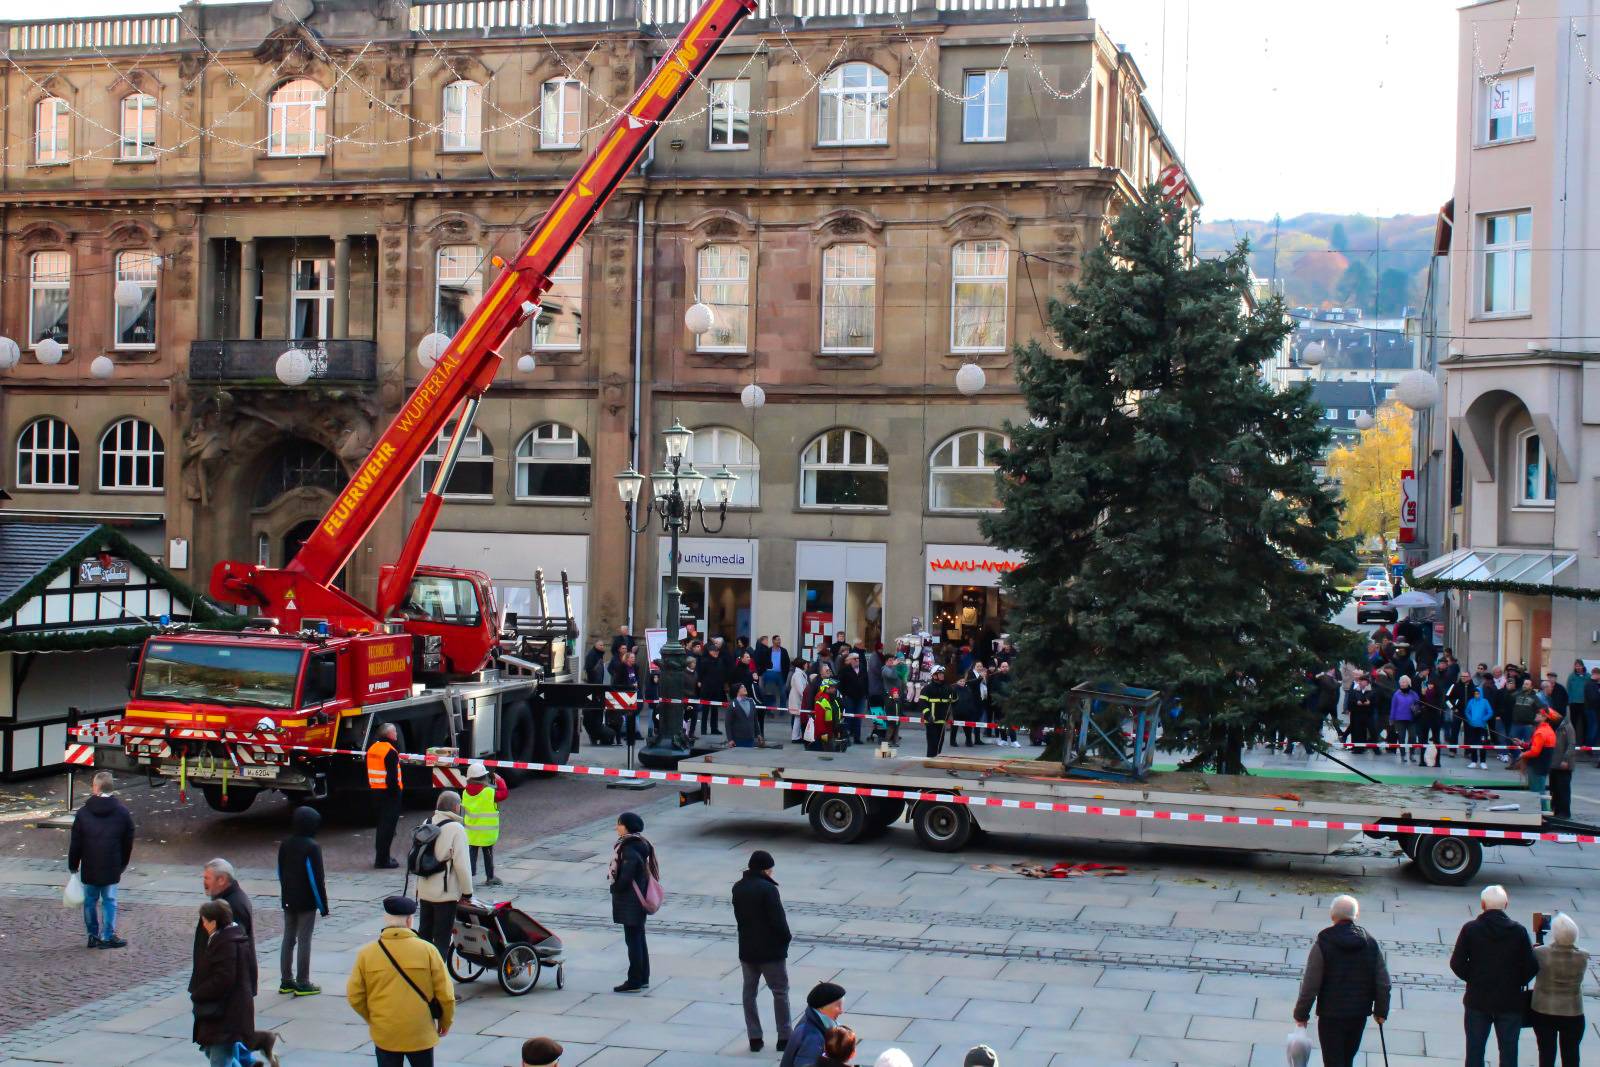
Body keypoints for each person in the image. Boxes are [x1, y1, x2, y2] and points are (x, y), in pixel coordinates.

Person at [347, 895, 456, 1067]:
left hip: (385, 1032)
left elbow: (355, 996)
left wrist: (375, 1018)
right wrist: (445, 1021)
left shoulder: (367, 954)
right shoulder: (428, 950)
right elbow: (446, 995)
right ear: (409, 921)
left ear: (385, 919)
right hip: (420, 1031)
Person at [1292, 894, 1390, 1067]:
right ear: (1356, 915)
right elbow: (1383, 983)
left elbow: (1310, 985)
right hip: (1358, 1014)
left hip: (1331, 1016)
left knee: (1333, 1062)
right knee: (1347, 1059)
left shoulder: (1323, 943)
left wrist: (1301, 1015)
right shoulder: (1370, 943)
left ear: (1332, 915)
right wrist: (1381, 1011)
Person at [1451, 884, 1538, 1067]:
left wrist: (1474, 977)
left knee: (1475, 1050)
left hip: (1478, 999)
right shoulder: (1518, 931)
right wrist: (1516, 981)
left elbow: (1457, 963)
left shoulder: (1471, 929)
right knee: (1509, 1051)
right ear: (1506, 904)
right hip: (1509, 1001)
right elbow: (1532, 966)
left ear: (1483, 904)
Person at [733, 849, 792, 1053]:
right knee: (780, 992)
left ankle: (755, 1037)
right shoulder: (768, 890)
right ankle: (784, 1037)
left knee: (749, 993)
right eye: (770, 870)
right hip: (770, 951)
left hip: (747, 949)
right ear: (765, 870)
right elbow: (778, 921)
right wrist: (786, 939)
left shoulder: (738, 887)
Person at [67, 770, 133, 950]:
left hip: (90, 865)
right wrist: (123, 863)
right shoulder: (122, 813)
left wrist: (73, 864)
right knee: (109, 900)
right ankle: (107, 935)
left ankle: (92, 935)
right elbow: (128, 841)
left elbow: (76, 842)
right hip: (111, 864)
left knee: (90, 900)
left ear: (95, 788)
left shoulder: (83, 813)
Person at [191, 899, 257, 1067]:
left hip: (225, 1013)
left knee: (219, 1059)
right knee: (212, 1051)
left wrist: (199, 993)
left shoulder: (225, 943)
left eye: (205, 921)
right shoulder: (230, 937)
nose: (203, 925)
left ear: (213, 922)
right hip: (229, 1011)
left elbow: (223, 979)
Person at [414, 791, 473, 965]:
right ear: (456, 807)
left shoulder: (426, 822)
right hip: (444, 894)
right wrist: (467, 892)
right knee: (441, 939)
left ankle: (421, 972)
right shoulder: (456, 829)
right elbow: (462, 865)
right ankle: (438, 978)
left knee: (424, 937)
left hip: (424, 890)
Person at [276, 804, 329, 996]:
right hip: (306, 901)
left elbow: (280, 871)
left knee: (288, 938)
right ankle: (303, 981)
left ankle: (286, 980)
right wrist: (323, 905)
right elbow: (316, 879)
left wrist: (285, 893)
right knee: (304, 939)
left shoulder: (285, 843)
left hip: (288, 897)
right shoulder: (312, 846)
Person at [610, 811, 658, 992]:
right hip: (638, 898)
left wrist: (615, 888)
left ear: (627, 826)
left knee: (633, 940)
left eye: (619, 824)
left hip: (631, 900)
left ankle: (635, 980)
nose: (617, 827)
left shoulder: (629, 848)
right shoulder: (641, 843)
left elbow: (626, 876)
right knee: (639, 937)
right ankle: (643, 977)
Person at [1531, 913, 1588, 1067]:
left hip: (1544, 1009)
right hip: (1572, 1011)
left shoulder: (1540, 953)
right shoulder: (1583, 956)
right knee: (1571, 1055)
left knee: (1546, 1054)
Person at [194, 859, 257, 995]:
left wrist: (204, 990)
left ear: (221, 880)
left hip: (226, 991)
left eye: (207, 878)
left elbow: (230, 953)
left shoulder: (233, 905)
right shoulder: (226, 901)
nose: (204, 882)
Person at [462, 761, 508, 887]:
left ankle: (468, 876)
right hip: (487, 833)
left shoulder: (465, 792)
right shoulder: (489, 792)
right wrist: (499, 780)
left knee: (471, 854)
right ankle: (490, 877)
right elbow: (504, 793)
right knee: (488, 855)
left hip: (471, 832)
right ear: (484, 777)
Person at [780, 982, 844, 1067]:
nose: (841, 1011)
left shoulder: (810, 1019)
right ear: (822, 1007)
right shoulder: (814, 1038)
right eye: (838, 1006)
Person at [369, 723, 403, 869]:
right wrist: (396, 794)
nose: (396, 734)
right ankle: (383, 860)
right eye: (394, 732)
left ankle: (382, 857)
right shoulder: (390, 751)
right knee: (388, 828)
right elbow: (392, 777)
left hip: (376, 791)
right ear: (389, 735)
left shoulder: (373, 748)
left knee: (382, 826)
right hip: (389, 794)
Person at [1517, 707, 1561, 813]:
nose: (1536, 715)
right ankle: (1544, 812)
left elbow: (1535, 751)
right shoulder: (1548, 730)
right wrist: (1522, 744)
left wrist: (1523, 754)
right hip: (1543, 765)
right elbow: (1535, 746)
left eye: (1539, 714)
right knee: (1540, 789)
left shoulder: (1540, 732)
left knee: (1537, 791)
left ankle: (1542, 813)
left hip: (1536, 766)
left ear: (1544, 717)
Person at [1546, 704, 1579, 820]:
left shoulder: (1568, 727)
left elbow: (1571, 745)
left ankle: (1564, 813)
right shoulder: (1553, 725)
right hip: (1554, 764)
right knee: (1554, 790)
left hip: (1564, 765)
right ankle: (1555, 810)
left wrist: (1565, 759)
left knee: (1563, 790)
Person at [919, 666, 955, 758]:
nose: (942, 675)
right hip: (931, 720)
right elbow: (922, 703)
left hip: (942, 720)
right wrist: (928, 715)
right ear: (934, 676)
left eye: (942, 674)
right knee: (932, 743)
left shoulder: (947, 688)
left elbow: (954, 700)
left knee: (940, 742)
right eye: (940, 674)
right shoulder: (927, 689)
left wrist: (953, 691)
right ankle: (930, 759)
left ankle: (937, 759)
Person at [837, 653, 868, 744]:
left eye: (858, 658)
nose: (857, 660)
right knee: (849, 717)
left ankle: (857, 738)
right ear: (850, 660)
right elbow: (840, 683)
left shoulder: (862, 668)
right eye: (855, 658)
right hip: (849, 697)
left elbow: (866, 681)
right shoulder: (845, 670)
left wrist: (866, 693)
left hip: (861, 697)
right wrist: (845, 694)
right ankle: (846, 738)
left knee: (858, 717)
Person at [698, 643, 727, 735]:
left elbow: (722, 673)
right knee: (705, 709)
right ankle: (703, 729)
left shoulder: (720, 661)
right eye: (714, 651)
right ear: (709, 652)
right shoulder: (704, 661)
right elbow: (700, 673)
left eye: (717, 651)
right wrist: (699, 682)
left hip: (717, 688)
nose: (716, 653)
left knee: (715, 709)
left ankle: (714, 728)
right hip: (706, 688)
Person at [1388, 676, 1418, 763]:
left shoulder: (1413, 694)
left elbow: (1418, 704)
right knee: (1401, 737)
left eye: (1404, 682)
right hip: (1399, 719)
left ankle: (1412, 754)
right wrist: (1391, 718)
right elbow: (1393, 707)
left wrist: (1416, 708)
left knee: (1413, 736)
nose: (1402, 684)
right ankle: (1402, 755)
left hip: (1411, 719)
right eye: (1401, 682)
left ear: (1408, 683)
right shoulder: (1396, 694)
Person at [1464, 684, 1495, 768]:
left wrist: (1484, 719)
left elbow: (1490, 712)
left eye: (1478, 693)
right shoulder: (1471, 701)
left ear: (1481, 693)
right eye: (1475, 694)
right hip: (1473, 726)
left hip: (1482, 726)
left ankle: (1483, 762)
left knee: (1482, 743)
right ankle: (1474, 761)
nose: (1476, 695)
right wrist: (1470, 719)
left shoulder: (1485, 701)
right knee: (1473, 743)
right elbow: (1467, 711)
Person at [727, 684, 762, 749]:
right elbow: (728, 724)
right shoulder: (733, 704)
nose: (744, 688)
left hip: (750, 738)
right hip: (738, 739)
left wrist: (758, 734)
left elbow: (755, 720)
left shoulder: (751, 702)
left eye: (744, 687)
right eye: (742, 687)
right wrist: (730, 739)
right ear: (737, 691)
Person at [787, 656, 811, 744]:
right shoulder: (798, 674)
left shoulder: (800, 674)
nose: (807, 665)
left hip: (798, 698)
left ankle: (796, 736)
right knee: (797, 718)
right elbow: (801, 689)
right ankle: (795, 737)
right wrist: (806, 697)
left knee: (798, 718)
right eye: (806, 664)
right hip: (797, 699)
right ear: (802, 665)